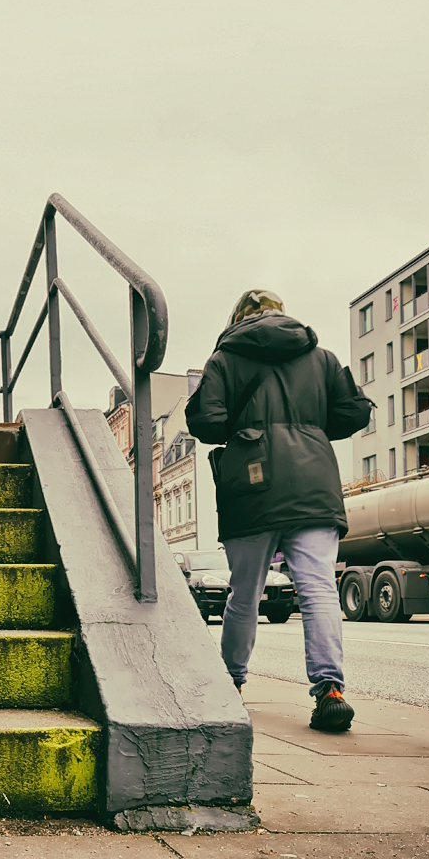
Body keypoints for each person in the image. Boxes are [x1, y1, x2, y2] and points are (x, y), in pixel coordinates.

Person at [185, 289, 373, 732]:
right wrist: (307, 426)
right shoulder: (321, 357)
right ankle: (330, 689)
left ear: (240, 319)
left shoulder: (225, 359)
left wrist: (246, 425)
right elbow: (353, 412)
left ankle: (229, 684)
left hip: (251, 486)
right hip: (313, 483)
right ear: (280, 315)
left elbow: (206, 422)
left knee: (244, 593)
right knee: (320, 590)